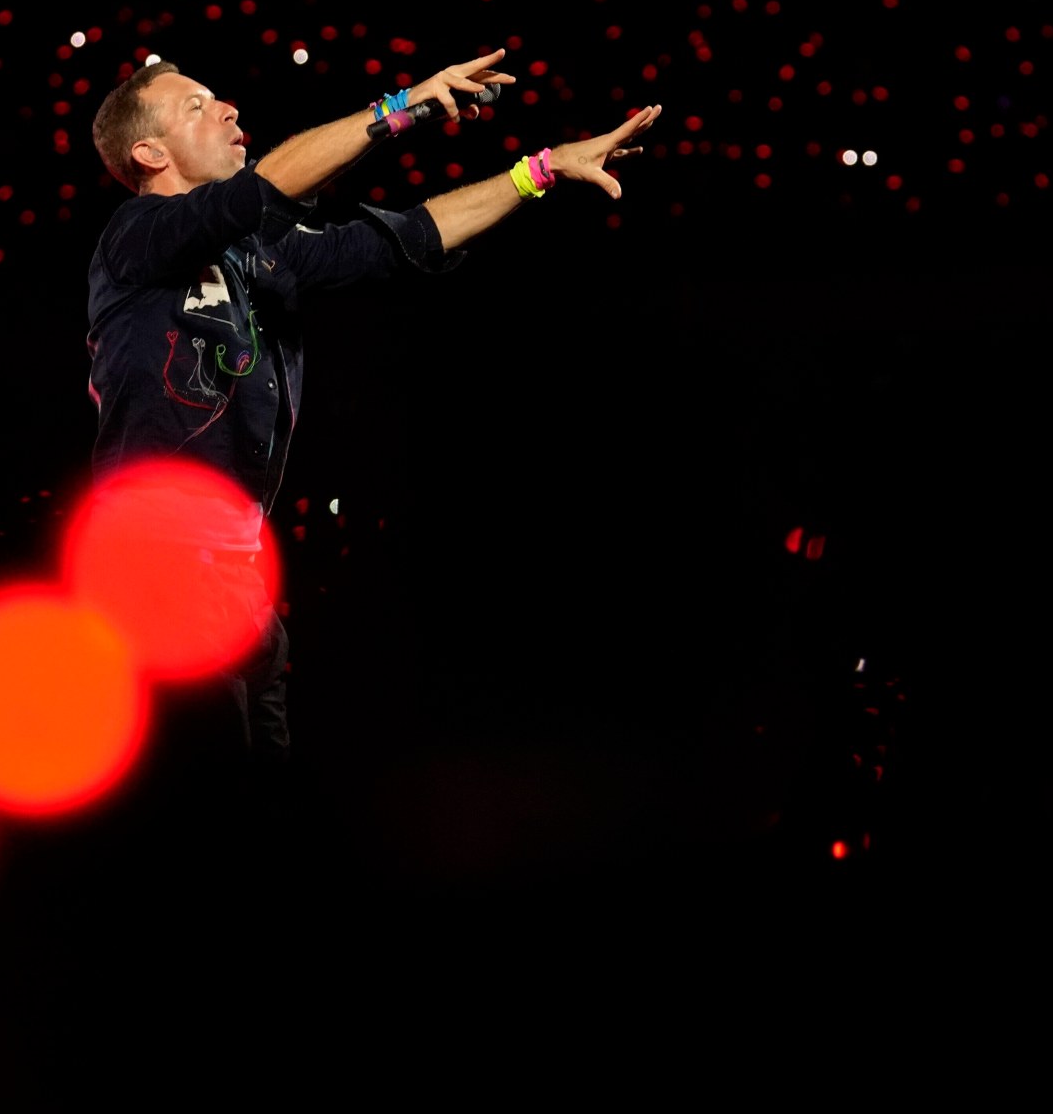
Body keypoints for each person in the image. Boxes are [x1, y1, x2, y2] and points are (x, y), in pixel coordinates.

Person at [83, 47, 662, 784]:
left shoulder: (263, 252)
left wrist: (539, 170)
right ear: (148, 152)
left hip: (239, 582)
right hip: (158, 573)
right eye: (196, 104)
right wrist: (403, 109)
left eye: (219, 96)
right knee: (208, 821)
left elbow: (407, 239)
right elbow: (259, 191)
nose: (229, 110)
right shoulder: (135, 237)